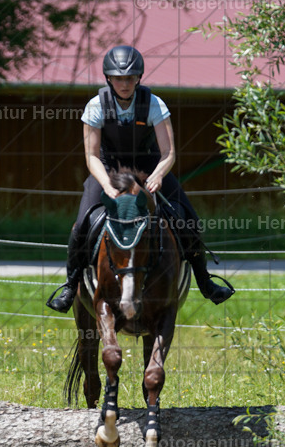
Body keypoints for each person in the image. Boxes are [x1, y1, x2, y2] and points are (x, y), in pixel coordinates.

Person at [46, 45, 234, 313]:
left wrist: (158, 175)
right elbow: (92, 156)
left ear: (139, 78)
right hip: (108, 169)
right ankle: (70, 285)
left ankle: (205, 282)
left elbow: (168, 153)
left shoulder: (154, 104)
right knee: (82, 223)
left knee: (188, 218)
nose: (125, 84)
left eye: (130, 78)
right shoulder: (95, 106)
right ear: (108, 78)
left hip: (149, 166)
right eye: (119, 78)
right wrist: (106, 184)